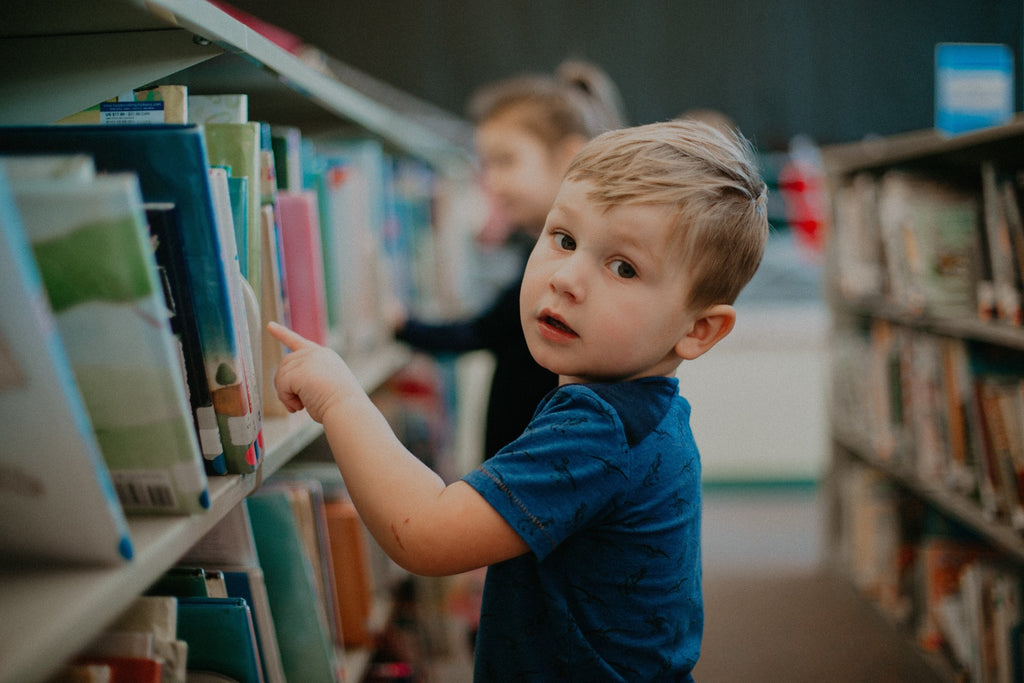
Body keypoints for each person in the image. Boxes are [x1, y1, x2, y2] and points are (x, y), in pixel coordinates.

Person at [268, 118, 769, 681]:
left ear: (698, 330)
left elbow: (424, 534)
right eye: (564, 239)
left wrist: (338, 397)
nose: (567, 278)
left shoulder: (599, 427)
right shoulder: (645, 411)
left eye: (624, 268)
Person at [392, 59, 628, 460]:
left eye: (506, 161)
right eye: (487, 166)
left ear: (569, 156)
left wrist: (403, 325)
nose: (493, 182)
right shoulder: (536, 250)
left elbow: (484, 330)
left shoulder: (564, 267)